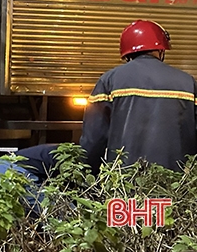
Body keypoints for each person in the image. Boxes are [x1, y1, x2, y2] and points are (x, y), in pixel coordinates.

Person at [80, 20, 197, 172]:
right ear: (161, 50)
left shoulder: (110, 80)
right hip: (176, 184)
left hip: (123, 184)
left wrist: (88, 175)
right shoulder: (187, 82)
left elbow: (94, 139)